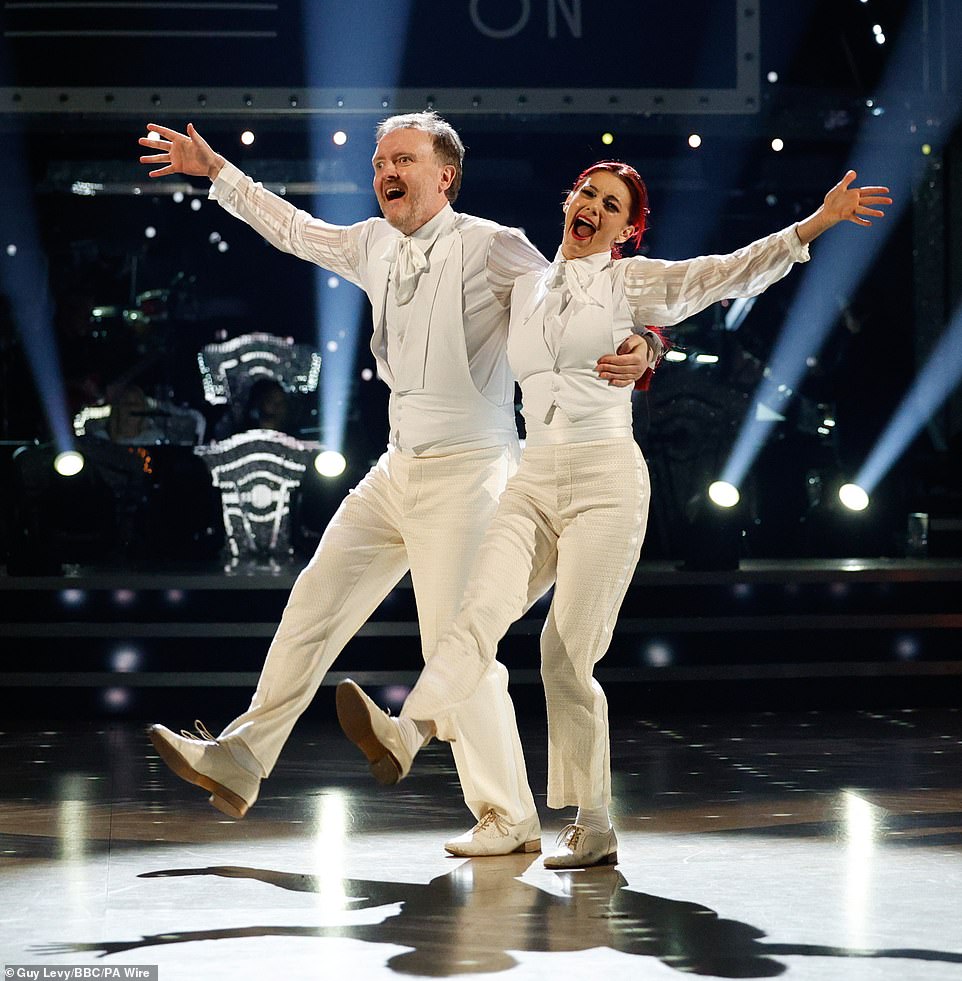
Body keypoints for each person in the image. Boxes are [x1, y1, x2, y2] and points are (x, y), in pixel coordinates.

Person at [335, 162, 892, 868]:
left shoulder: (630, 282)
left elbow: (725, 275)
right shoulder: (521, 284)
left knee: (563, 658)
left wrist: (809, 227)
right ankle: (407, 734)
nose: (593, 205)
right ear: (568, 202)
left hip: (605, 481)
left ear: (627, 229)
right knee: (474, 613)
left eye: (611, 203)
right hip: (533, 479)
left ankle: (595, 824)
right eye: (586, 193)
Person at [136, 113, 654, 857]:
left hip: (473, 470)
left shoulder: (494, 244)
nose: (386, 170)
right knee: (315, 597)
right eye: (381, 160)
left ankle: (508, 814)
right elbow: (294, 229)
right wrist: (219, 174)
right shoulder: (374, 243)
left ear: (445, 175)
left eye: (403, 158)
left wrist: (645, 347)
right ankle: (244, 756)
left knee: (459, 642)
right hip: (396, 464)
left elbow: (578, 292)